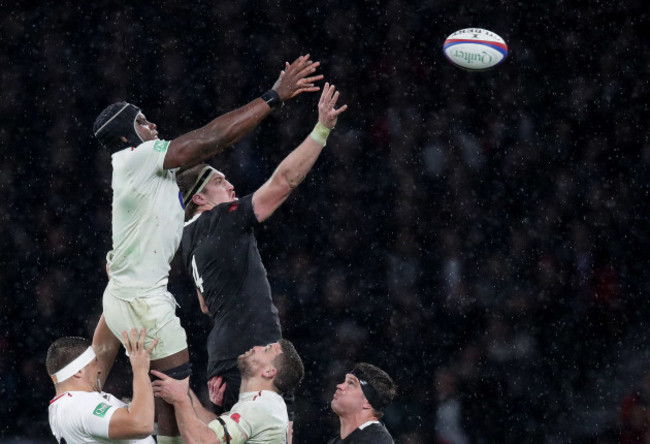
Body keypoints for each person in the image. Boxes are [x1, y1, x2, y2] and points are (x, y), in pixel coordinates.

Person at [91, 55, 323, 443]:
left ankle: (81, 417)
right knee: (174, 395)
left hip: (125, 295)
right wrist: (275, 97)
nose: (153, 125)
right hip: (146, 302)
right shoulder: (141, 158)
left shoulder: (182, 224)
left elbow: (200, 300)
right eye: (143, 121)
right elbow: (217, 141)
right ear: (127, 135)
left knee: (124, 390)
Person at [175, 82, 347, 418]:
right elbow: (284, 183)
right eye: (219, 182)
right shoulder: (221, 219)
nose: (231, 185)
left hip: (225, 354)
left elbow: (205, 305)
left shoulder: (187, 241)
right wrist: (322, 130)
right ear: (199, 198)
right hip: (253, 352)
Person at [151, 339, 304, 444]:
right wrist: (181, 387)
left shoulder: (260, 407)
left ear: (269, 371)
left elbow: (203, 441)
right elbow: (210, 428)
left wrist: (181, 400)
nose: (257, 347)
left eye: (266, 350)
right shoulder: (264, 404)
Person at [47, 328, 158, 444]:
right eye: (95, 362)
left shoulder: (67, 404)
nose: (100, 369)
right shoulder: (81, 406)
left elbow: (103, 347)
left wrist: (111, 310)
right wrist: (140, 370)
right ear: (79, 372)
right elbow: (142, 425)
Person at [327, 363, 397, 444]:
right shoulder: (335, 441)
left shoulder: (377, 440)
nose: (339, 386)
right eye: (344, 381)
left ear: (368, 402)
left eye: (351, 383)